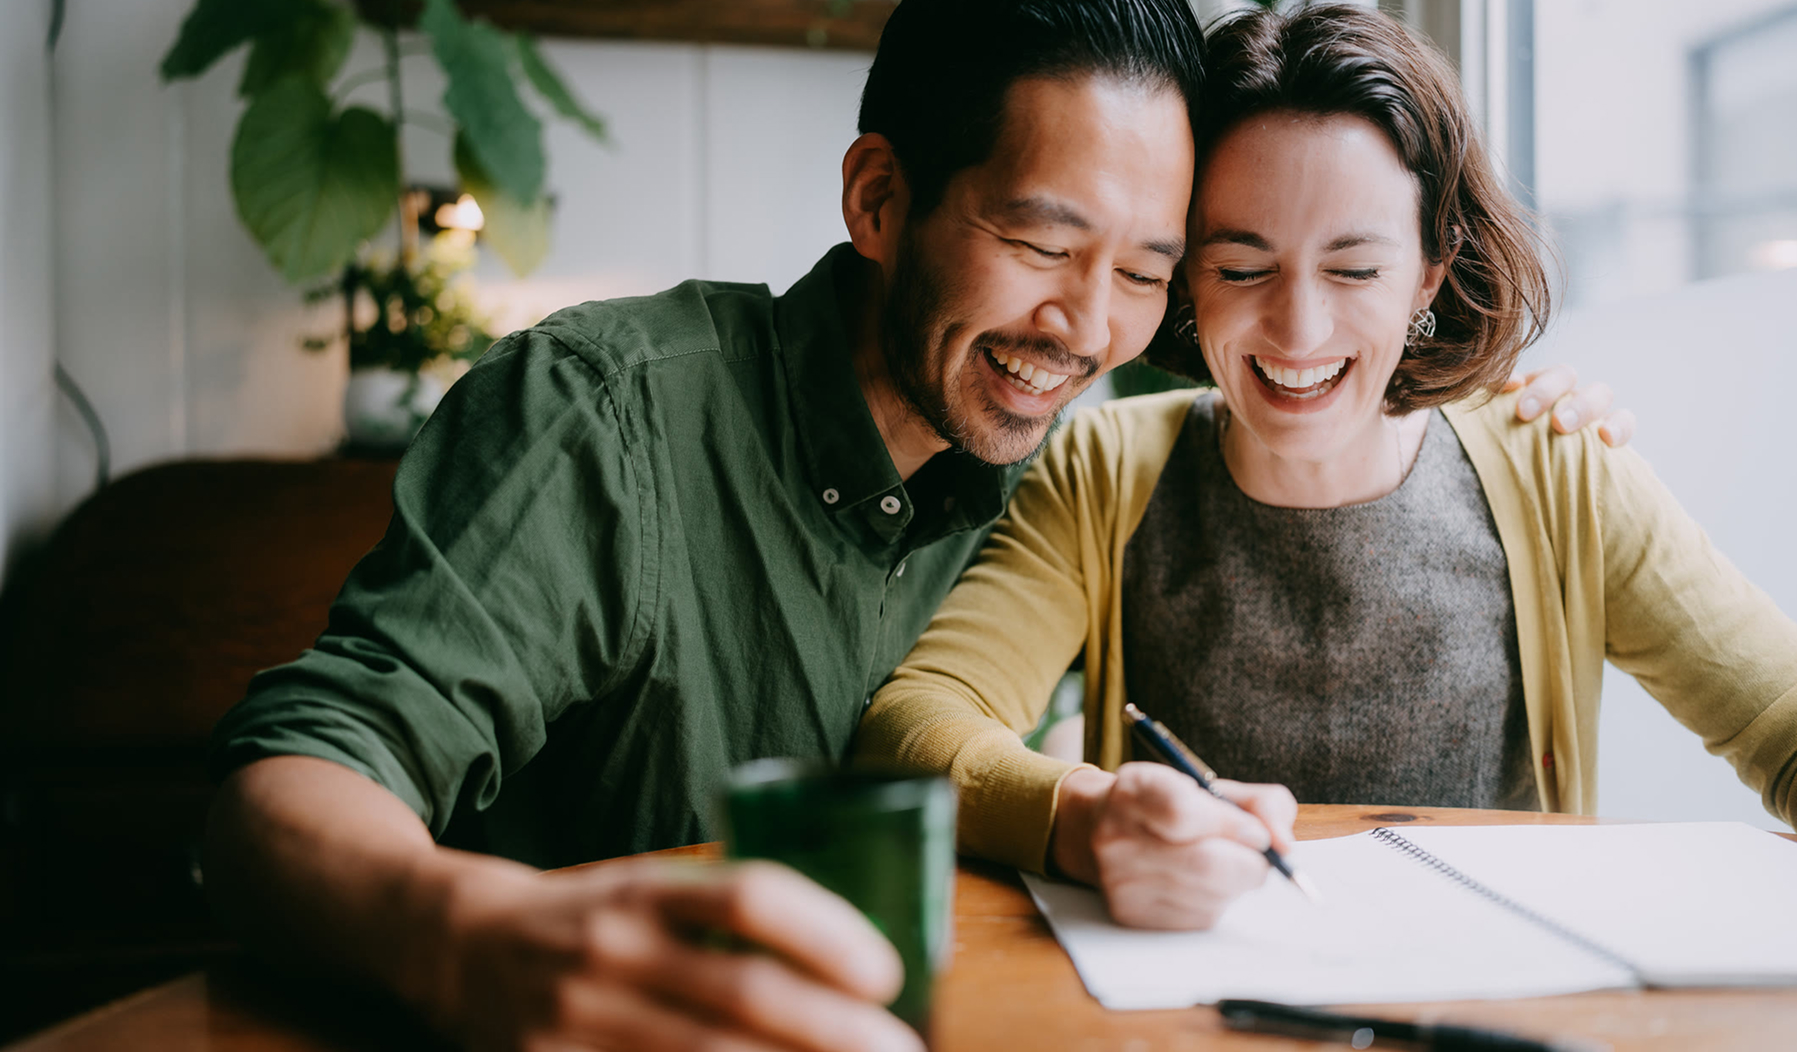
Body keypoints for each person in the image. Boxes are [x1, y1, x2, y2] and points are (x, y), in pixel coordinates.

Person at [204, 2, 1622, 1049]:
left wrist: (1513, 421)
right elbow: (295, 781)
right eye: (1037, 244)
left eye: (1143, 270)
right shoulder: (606, 412)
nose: (1086, 327)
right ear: (878, 197)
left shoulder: (1085, 457)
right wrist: (472, 938)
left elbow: (1323, 380)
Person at [855, 2, 1797, 934]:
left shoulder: (1557, 467)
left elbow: (1779, 720)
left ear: (1429, 269)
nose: (1297, 330)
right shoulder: (1104, 469)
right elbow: (919, 723)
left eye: (1352, 269)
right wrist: (1083, 816)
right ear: (1185, 278)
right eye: (1240, 267)